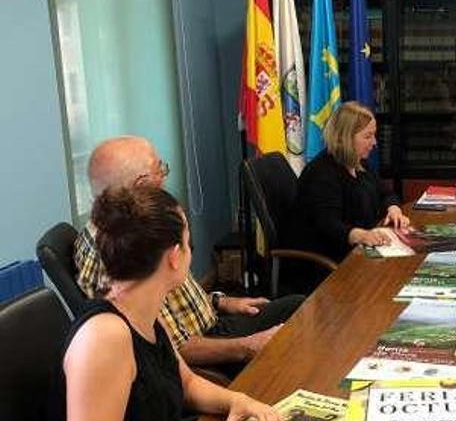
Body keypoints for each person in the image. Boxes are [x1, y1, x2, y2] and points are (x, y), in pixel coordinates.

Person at [65, 185, 281, 421]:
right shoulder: (103, 337)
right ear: (174, 256)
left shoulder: (145, 313)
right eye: (188, 240)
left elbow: (187, 383)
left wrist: (238, 401)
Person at [75, 136, 301, 375]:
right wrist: (249, 346)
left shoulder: (134, 229)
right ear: (141, 186)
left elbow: (175, 297)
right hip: (206, 353)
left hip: (210, 325)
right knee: (297, 331)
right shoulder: (116, 252)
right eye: (159, 169)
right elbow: (174, 349)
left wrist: (221, 301)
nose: (164, 175)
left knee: (298, 309)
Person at [296, 102, 410, 262]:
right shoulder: (322, 174)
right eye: (367, 136)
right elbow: (328, 226)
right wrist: (362, 236)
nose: (375, 143)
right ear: (345, 138)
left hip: (357, 253)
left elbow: (385, 192)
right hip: (328, 264)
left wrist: (393, 209)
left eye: (374, 135)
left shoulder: (358, 163)